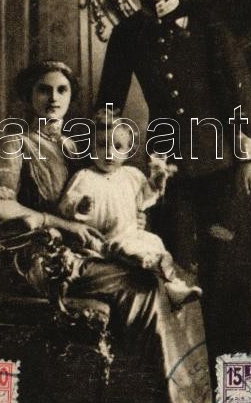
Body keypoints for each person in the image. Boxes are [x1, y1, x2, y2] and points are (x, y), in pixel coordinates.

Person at [0, 59, 211, 403]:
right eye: (43, 89)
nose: (53, 98)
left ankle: (186, 401)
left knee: (174, 278)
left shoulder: (74, 146)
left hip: (85, 253)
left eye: (62, 90)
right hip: (42, 258)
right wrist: (62, 224)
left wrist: (130, 215)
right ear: (28, 95)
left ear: (71, 97)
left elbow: (99, 197)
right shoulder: (15, 143)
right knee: (143, 286)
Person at [96, 0, 251, 357]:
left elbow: (241, 88)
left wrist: (250, 157)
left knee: (221, 264)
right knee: (171, 263)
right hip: (166, 168)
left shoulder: (206, 22)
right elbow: (108, 104)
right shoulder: (126, 34)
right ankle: (184, 371)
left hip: (220, 163)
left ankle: (226, 363)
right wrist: (101, 157)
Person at [58, 109, 202, 310]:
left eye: (117, 147)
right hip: (104, 239)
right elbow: (66, 205)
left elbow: (145, 198)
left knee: (154, 241)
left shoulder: (131, 175)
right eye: (102, 145)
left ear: (128, 150)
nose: (109, 153)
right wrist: (80, 205)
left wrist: (157, 181)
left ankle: (173, 285)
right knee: (130, 250)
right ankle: (152, 266)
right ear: (91, 147)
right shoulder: (85, 177)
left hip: (130, 233)